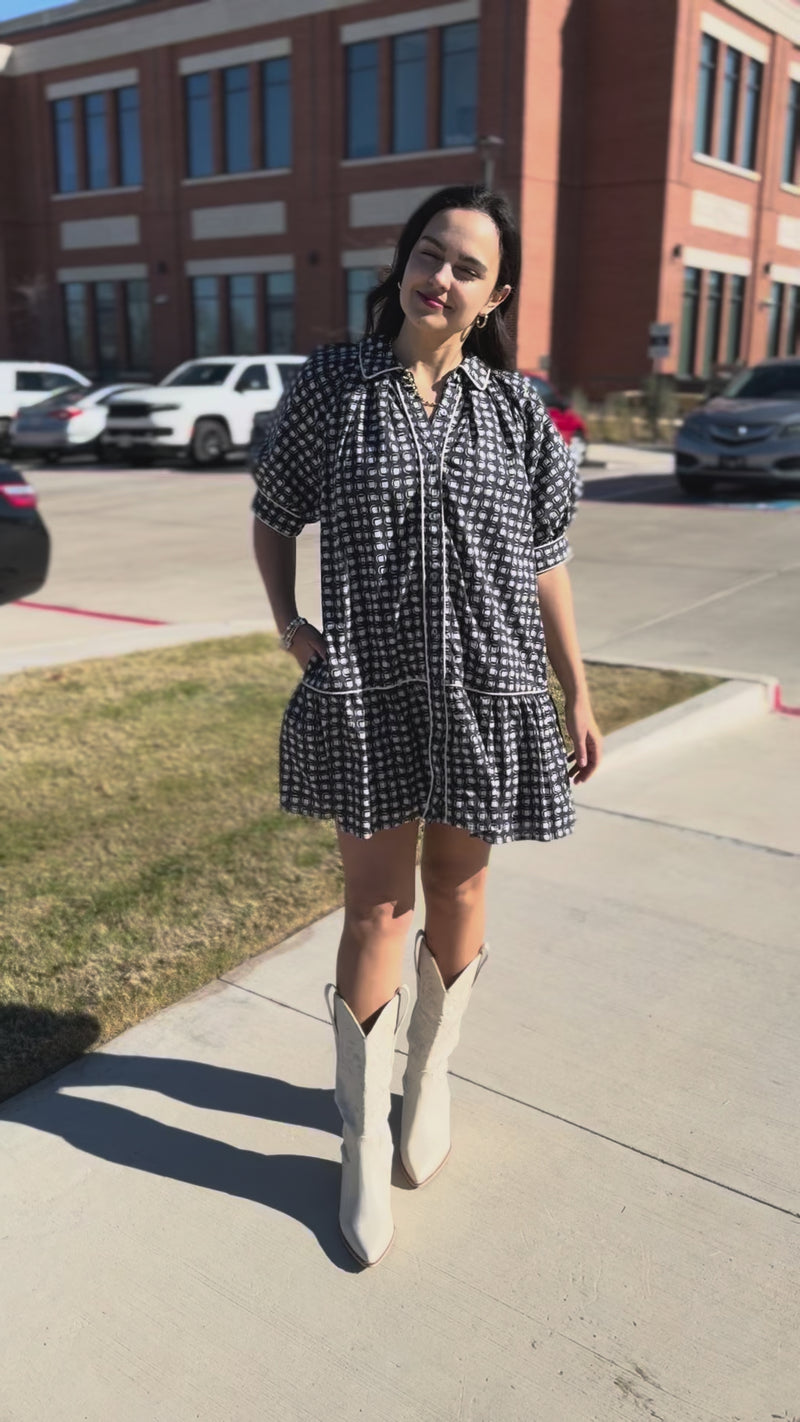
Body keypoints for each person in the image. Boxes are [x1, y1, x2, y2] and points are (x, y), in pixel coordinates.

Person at [252, 184, 602, 1268]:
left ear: (494, 298)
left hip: (489, 690)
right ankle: (360, 1145)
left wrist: (575, 691)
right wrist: (291, 629)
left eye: (465, 269)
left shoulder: (516, 412)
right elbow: (273, 512)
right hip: (371, 690)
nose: (439, 277)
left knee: (457, 886)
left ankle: (428, 1079)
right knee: (375, 907)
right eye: (428, 252)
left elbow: (545, 563)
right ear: (401, 260)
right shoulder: (335, 387)